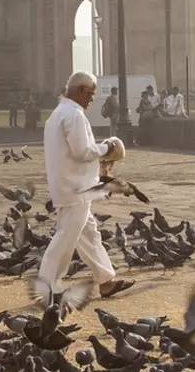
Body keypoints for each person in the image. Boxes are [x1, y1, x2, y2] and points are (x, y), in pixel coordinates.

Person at [35, 71, 134, 304]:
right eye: (90, 93)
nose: (92, 99)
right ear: (79, 90)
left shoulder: (57, 114)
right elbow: (82, 151)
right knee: (65, 238)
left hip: (67, 185)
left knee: (89, 235)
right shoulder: (74, 115)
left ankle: (106, 281)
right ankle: (47, 287)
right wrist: (106, 147)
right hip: (75, 188)